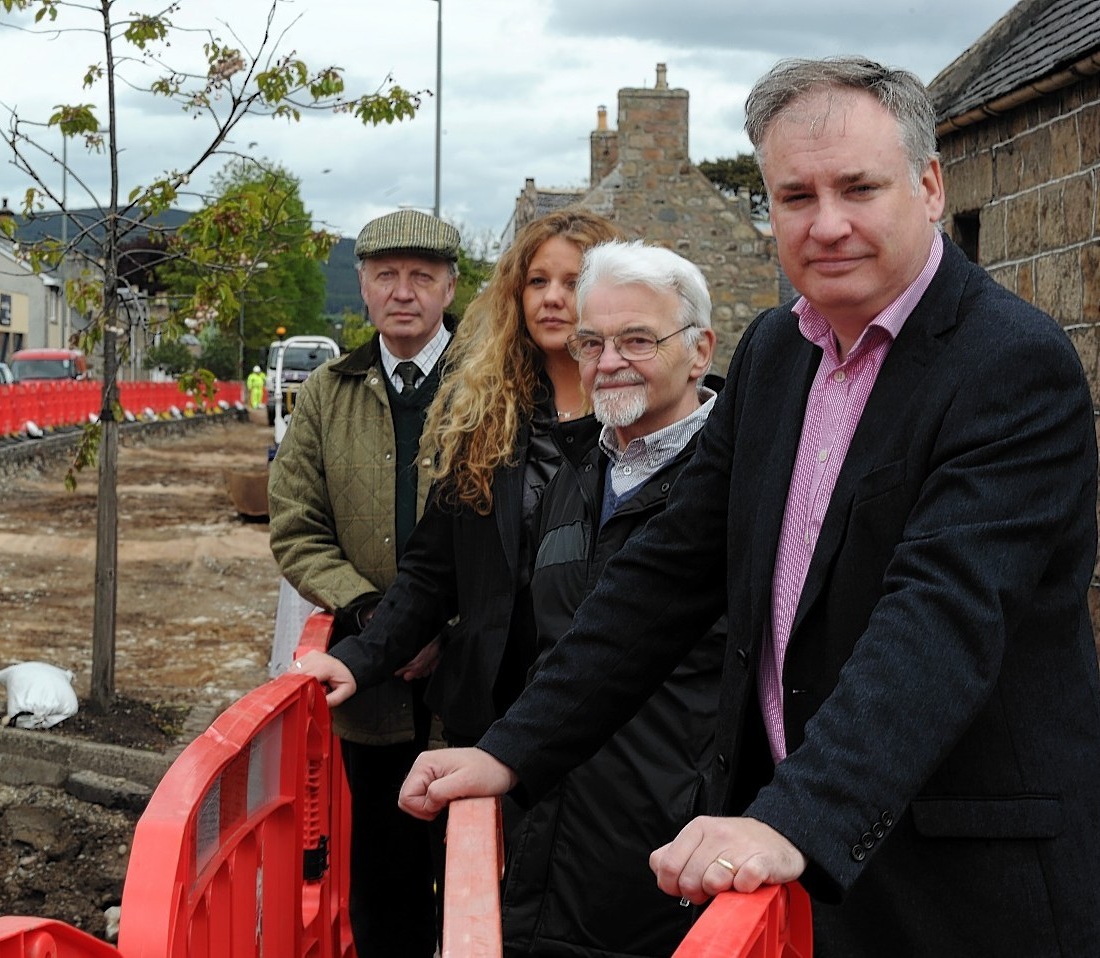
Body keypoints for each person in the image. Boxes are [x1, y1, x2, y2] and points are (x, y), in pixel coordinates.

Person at [398, 55, 1100, 957]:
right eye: (795, 196)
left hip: (960, 881)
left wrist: (795, 819)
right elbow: (668, 571)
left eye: (858, 187)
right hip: (796, 857)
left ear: (928, 187)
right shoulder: (777, 353)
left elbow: (943, 616)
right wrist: (512, 747)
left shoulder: (1010, 365)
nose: (828, 224)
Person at [294, 210, 625, 750]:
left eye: (574, 281)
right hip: (493, 710)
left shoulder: (644, 417)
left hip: (608, 723)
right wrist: (359, 657)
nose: (552, 297)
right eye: (537, 281)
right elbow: (431, 567)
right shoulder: (488, 419)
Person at [500, 240, 725, 958]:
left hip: (663, 862)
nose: (607, 360)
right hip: (547, 845)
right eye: (591, 342)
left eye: (636, 339)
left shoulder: (739, 487)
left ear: (698, 351)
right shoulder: (578, 470)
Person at [268, 208, 461, 958]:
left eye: (421, 276)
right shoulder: (326, 393)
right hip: (371, 681)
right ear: (362, 287)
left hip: (476, 672)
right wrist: (377, 618)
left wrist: (446, 629)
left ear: (449, 286)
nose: (403, 292)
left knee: (482, 859)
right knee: (384, 871)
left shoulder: (493, 383)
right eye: (386, 275)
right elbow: (296, 526)